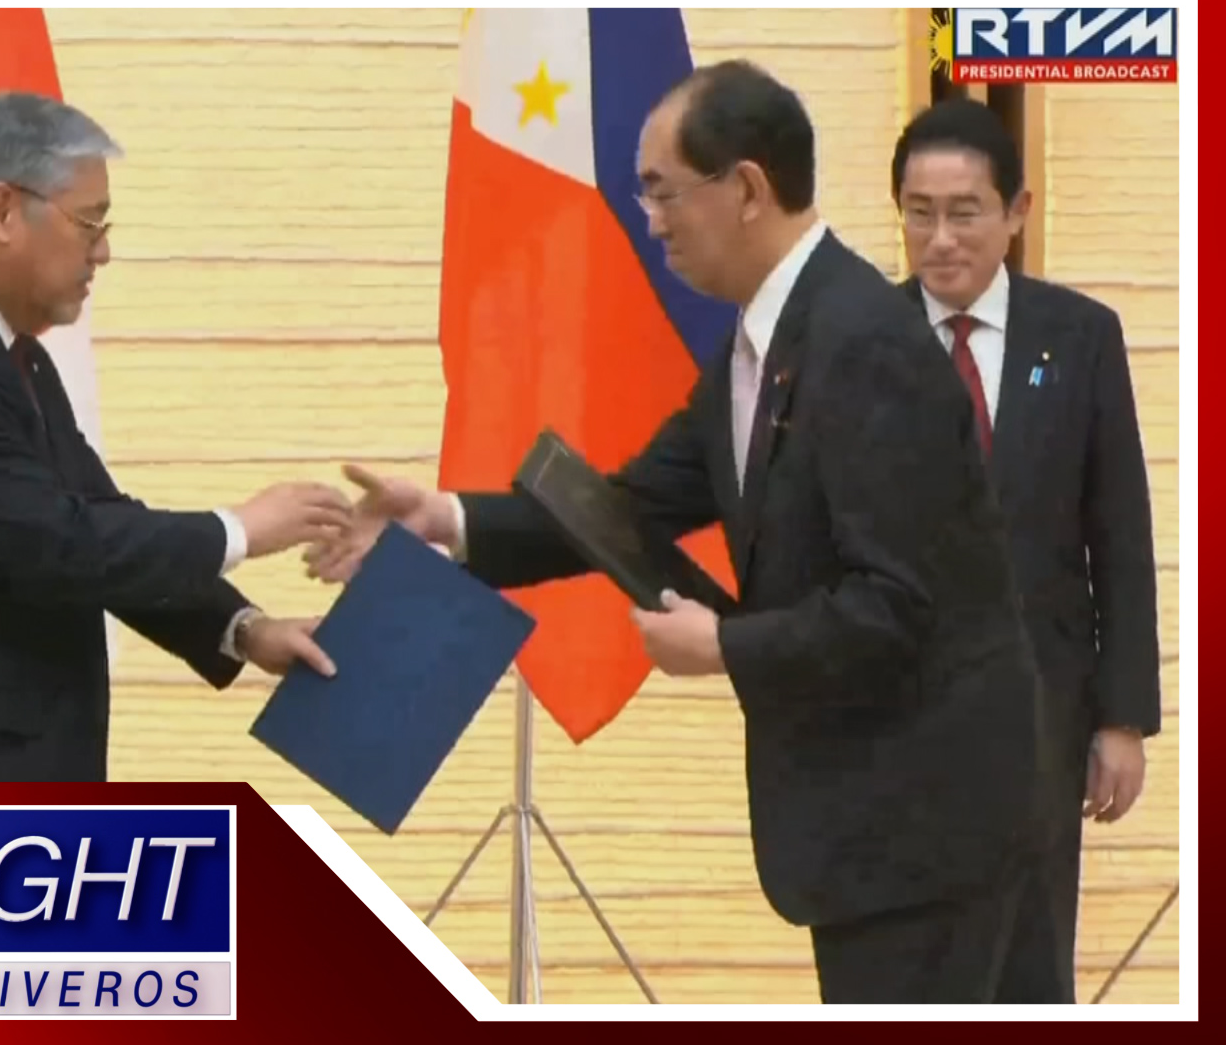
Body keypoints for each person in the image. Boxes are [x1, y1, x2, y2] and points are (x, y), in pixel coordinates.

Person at [308, 61, 1047, 1004]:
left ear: (747, 188)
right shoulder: (762, 340)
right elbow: (627, 510)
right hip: (867, 818)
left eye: (662, 192)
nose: (650, 222)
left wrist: (726, 645)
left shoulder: (862, 340)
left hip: (928, 821)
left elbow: (898, 606)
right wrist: (445, 520)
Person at [0, 91, 350, 783]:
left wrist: (244, 629)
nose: (104, 252)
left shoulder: (5, 349)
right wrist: (238, 530)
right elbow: (53, 544)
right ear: (1, 211)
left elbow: (95, 515)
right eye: (89, 223)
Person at [892, 97, 1160, 1003]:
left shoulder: (1080, 338)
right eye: (919, 213)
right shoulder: (858, 339)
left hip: (1042, 708)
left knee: (1029, 965)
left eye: (964, 212)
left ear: (1016, 212)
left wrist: (1121, 719)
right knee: (909, 964)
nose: (940, 240)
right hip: (895, 715)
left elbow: (1118, 536)